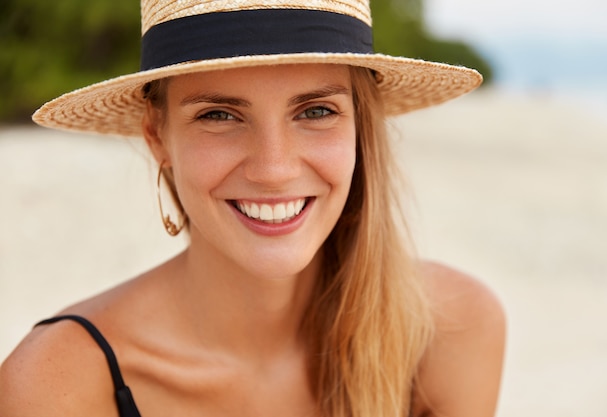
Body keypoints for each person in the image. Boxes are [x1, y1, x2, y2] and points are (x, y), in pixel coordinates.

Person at [0, 1, 506, 416]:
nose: (274, 169)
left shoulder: (449, 332)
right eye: (218, 114)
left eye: (315, 111)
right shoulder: (59, 385)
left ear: (360, 127)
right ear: (157, 135)